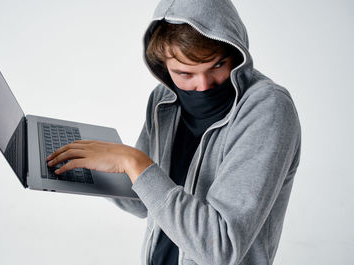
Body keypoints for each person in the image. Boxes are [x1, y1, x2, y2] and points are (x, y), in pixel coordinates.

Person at [46, 0, 301, 264]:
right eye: (185, 73)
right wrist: (79, 164)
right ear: (163, 68)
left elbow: (220, 250)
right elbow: (141, 200)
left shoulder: (267, 108)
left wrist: (133, 161)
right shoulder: (163, 100)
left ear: (236, 53)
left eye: (217, 65)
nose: (203, 85)